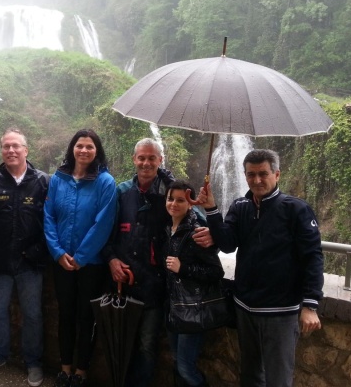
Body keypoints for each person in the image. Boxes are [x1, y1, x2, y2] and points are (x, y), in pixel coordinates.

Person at [199, 149, 323, 387]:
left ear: (277, 174)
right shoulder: (240, 206)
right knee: (250, 375)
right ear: (245, 176)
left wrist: (310, 304)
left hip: (280, 310)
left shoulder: (296, 209)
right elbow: (227, 244)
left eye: (263, 174)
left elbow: (313, 257)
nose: (257, 180)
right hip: (245, 307)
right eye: (251, 174)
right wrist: (212, 209)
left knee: (278, 378)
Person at [102, 138, 213, 387]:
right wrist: (111, 259)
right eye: (141, 157)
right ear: (134, 159)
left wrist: (211, 230)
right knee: (121, 340)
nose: (146, 162)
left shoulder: (170, 192)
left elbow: (197, 219)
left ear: (160, 160)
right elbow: (105, 233)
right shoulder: (121, 192)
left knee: (147, 344)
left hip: (155, 285)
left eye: (152, 158)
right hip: (124, 281)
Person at [0, 128, 50, 387]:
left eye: (16, 146)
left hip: (31, 263)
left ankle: (33, 361)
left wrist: (38, 251)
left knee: (33, 314)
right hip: (0, 261)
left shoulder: (42, 181)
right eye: (6, 146)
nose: (11, 151)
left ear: (26, 150)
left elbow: (51, 222)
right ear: (2, 151)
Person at [44, 129, 117, 387]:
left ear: (97, 151)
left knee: (87, 316)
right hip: (62, 260)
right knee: (66, 314)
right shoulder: (58, 178)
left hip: (91, 265)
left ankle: (81, 372)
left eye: (89, 146)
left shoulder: (106, 182)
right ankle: (64, 369)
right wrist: (57, 252)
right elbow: (48, 216)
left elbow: (103, 223)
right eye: (79, 146)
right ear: (72, 149)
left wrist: (82, 256)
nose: (84, 150)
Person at [164, 180, 224, 387]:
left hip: (191, 310)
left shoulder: (196, 232)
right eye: (170, 199)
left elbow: (216, 272)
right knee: (176, 361)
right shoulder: (168, 228)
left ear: (190, 204)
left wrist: (183, 268)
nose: (174, 204)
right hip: (173, 308)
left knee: (185, 367)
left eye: (181, 200)